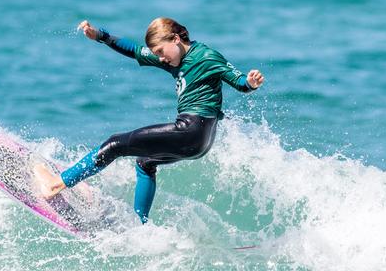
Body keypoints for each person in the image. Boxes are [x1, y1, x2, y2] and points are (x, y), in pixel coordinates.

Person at [35, 17, 264, 223]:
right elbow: (135, 50)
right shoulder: (173, 58)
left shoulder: (206, 56)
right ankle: (140, 227)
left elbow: (238, 81)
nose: (161, 59)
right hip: (200, 141)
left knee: (115, 144)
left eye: (162, 52)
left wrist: (250, 83)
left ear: (176, 39)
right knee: (145, 163)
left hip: (191, 130)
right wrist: (100, 36)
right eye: (158, 54)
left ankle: (56, 184)